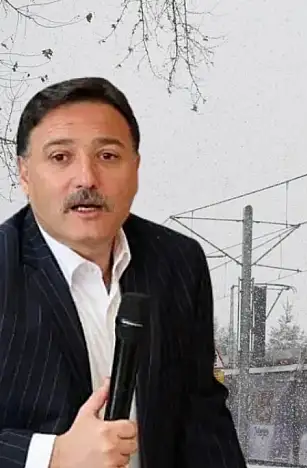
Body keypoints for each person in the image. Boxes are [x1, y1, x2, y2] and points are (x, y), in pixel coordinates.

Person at [0, 77, 246, 467]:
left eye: (108, 156)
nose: (87, 178)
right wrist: (52, 456)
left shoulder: (179, 262)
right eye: (60, 157)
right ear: (25, 174)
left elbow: (201, 414)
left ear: (136, 167)